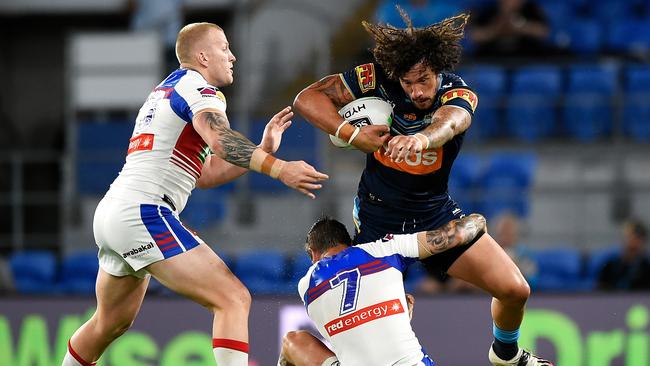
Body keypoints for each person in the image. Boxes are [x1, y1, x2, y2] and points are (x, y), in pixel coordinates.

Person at [293, 10, 552, 366]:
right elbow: (307, 99)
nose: (416, 91)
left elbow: (452, 123)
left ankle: (506, 354)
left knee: (515, 290)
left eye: (424, 80)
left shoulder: (457, 94)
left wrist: (422, 141)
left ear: (438, 70)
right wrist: (351, 133)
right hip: (377, 221)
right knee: (370, 325)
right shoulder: (376, 79)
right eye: (407, 83)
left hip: (433, 215)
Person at [61, 22, 328, 366]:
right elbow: (220, 141)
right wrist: (279, 167)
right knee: (233, 297)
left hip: (114, 213)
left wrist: (261, 148)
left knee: (109, 323)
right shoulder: (200, 89)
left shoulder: (163, 92)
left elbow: (204, 172)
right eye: (224, 48)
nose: (232, 56)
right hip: (143, 212)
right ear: (203, 56)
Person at [278, 213, 487, 366]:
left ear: (313, 254)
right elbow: (453, 235)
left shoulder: (306, 285)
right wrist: (477, 221)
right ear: (349, 243)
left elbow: (356, 329)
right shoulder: (384, 248)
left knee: (293, 340)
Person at [468, 0, 550, 59]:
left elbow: (544, 32)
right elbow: (474, 36)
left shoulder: (531, 9)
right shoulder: (489, 10)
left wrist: (521, 27)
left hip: (526, 60)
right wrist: (495, 30)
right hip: (492, 60)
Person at [597, 219, 650, 291]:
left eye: (636, 237)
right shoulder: (610, 265)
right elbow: (600, 290)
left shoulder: (646, 267)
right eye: (628, 237)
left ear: (642, 241)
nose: (631, 240)